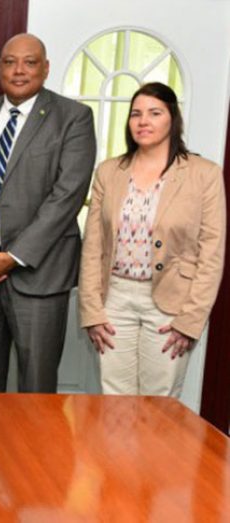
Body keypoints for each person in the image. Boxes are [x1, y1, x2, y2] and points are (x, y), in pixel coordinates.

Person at [0, 33, 97, 392]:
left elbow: (67, 196)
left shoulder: (73, 118)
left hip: (40, 275)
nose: (18, 70)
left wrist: (14, 257)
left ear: (45, 68)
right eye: (9, 61)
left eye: (29, 62)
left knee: (35, 390)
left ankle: (32, 453)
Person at [79, 82, 226, 397]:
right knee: (114, 401)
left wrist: (190, 320)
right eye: (136, 114)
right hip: (114, 300)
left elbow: (211, 255)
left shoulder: (205, 174)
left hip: (173, 303)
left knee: (159, 405)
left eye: (154, 113)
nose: (143, 121)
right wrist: (92, 311)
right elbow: (93, 247)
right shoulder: (108, 172)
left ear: (173, 118)